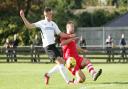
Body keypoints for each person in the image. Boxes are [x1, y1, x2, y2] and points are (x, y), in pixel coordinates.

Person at [20, 7, 74, 85]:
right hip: (48, 47)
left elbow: (60, 33)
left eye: (52, 14)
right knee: (60, 63)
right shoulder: (41, 23)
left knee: (62, 63)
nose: (51, 15)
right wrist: (23, 17)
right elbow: (29, 26)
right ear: (46, 14)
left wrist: (69, 36)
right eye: (50, 14)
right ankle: (68, 81)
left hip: (53, 46)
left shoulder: (53, 23)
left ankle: (48, 75)